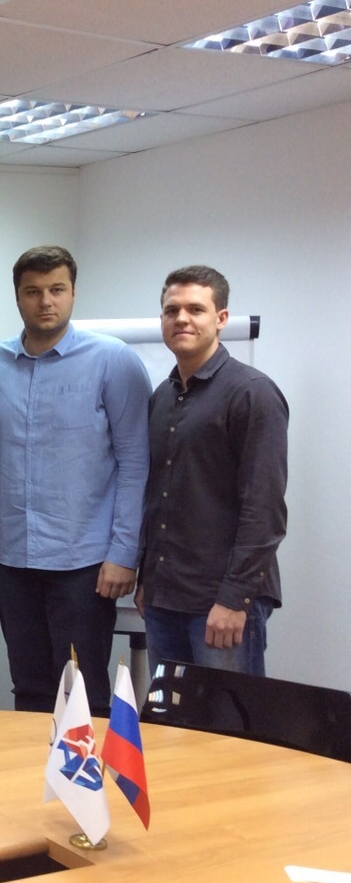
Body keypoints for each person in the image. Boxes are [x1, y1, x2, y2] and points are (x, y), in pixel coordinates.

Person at [0, 246, 149, 715]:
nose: (46, 301)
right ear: (17, 297)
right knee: (28, 688)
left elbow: (135, 462)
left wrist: (124, 553)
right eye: (33, 292)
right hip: (13, 558)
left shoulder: (113, 360)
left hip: (85, 561)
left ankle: (85, 769)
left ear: (73, 293)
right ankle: (34, 766)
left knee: (84, 694)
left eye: (56, 290)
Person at [137, 265, 287, 676]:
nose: (181, 319)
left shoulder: (252, 393)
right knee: (170, 715)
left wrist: (235, 599)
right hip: (164, 598)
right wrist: (148, 580)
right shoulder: (163, 397)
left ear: (220, 318)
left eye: (195, 309)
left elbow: (264, 508)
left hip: (220, 603)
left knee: (227, 716)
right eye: (171, 310)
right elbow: (156, 495)